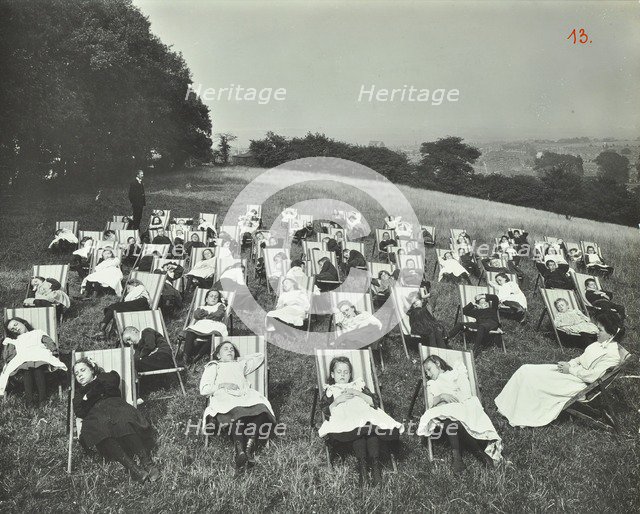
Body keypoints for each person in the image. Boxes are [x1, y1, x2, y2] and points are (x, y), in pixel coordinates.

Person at [495, 311, 623, 427]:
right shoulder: (598, 344)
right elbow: (580, 358)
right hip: (573, 373)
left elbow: (593, 377)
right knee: (525, 369)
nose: (596, 332)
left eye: (600, 330)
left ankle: (520, 415)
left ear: (611, 334)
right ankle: (506, 407)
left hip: (579, 384)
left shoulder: (612, 356)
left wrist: (571, 370)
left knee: (533, 380)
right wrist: (568, 364)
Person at [319, 356, 403, 486]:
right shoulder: (331, 390)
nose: (342, 375)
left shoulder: (357, 385)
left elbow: (374, 402)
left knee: (369, 428)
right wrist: (336, 401)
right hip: (346, 417)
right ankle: (363, 470)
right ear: (332, 374)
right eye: (339, 372)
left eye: (346, 372)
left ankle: (376, 470)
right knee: (360, 429)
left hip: (364, 414)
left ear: (350, 374)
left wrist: (357, 393)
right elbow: (325, 410)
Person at [72, 358, 158, 482]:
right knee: (98, 429)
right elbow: (79, 411)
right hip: (95, 415)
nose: (79, 374)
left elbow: (113, 381)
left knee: (122, 420)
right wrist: (94, 393)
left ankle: (147, 462)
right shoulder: (79, 393)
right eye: (76, 373)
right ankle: (134, 470)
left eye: (83, 370)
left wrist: (89, 396)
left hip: (115, 406)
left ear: (92, 370)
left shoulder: (105, 377)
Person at [417, 355, 502, 473]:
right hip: (443, 412)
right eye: (426, 372)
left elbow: (465, 393)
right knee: (450, 421)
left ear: (437, 363)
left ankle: (458, 460)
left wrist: (453, 397)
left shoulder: (454, 374)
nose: (428, 374)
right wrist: (442, 396)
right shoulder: (431, 384)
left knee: (453, 422)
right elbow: (429, 402)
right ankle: (479, 456)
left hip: (459, 408)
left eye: (429, 369)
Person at [199, 341, 276, 470]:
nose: (230, 351)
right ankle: (240, 449)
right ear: (218, 355)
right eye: (226, 349)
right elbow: (204, 389)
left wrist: (239, 358)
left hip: (244, 395)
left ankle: (246, 449)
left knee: (263, 409)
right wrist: (222, 385)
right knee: (237, 412)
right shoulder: (214, 366)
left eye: (232, 349)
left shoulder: (240, 364)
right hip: (225, 396)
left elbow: (260, 356)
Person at [0, 317, 66, 406]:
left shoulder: (38, 333)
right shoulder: (16, 340)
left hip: (39, 354)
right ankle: (29, 402)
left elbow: (48, 342)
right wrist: (8, 344)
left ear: (22, 322)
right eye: (12, 329)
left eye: (15, 324)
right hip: (25, 358)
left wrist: (54, 352)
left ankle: (42, 400)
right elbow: (9, 356)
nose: (15, 328)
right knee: (27, 370)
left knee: (37, 368)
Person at [180, 289, 228, 365]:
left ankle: (197, 357)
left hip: (214, 325)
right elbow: (197, 315)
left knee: (214, 335)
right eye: (211, 296)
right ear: (206, 299)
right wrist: (211, 314)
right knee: (190, 332)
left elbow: (218, 315)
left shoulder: (220, 306)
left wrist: (205, 314)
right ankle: (185, 358)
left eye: (216, 296)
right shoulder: (201, 307)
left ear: (218, 299)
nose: (213, 298)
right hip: (202, 325)